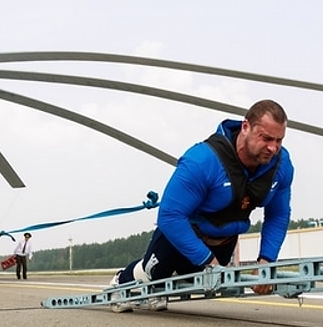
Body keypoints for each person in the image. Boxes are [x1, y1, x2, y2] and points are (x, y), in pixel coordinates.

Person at [109, 99, 294, 312]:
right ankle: (122, 281)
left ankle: (161, 283)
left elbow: (278, 214)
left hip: (223, 245)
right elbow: (170, 215)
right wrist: (208, 261)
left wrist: (266, 262)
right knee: (154, 274)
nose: (273, 148)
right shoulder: (202, 161)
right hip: (181, 242)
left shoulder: (281, 166)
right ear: (246, 127)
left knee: (195, 280)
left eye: (279, 140)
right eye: (266, 138)